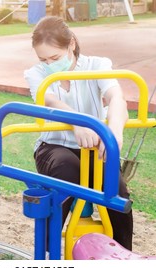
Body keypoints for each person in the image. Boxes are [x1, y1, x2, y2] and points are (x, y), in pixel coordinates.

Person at [24, 16, 133, 250]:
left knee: (116, 188)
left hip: (93, 147)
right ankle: (48, 249)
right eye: (43, 59)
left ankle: (124, 254)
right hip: (54, 147)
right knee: (67, 170)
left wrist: (113, 132)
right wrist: (78, 122)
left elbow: (116, 98)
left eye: (55, 57)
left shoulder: (97, 65)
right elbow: (49, 100)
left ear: (71, 44)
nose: (49, 63)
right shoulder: (36, 73)